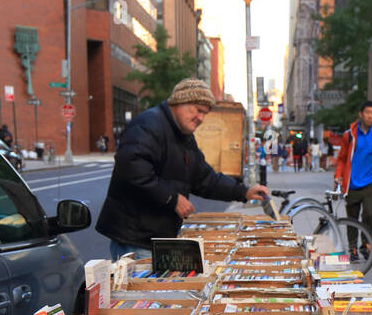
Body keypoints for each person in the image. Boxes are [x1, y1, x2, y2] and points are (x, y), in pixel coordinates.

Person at [96, 78, 270, 260]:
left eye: (205, 113)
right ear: (179, 102)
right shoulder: (149, 125)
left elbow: (205, 179)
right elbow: (132, 168)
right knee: (145, 287)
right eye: (197, 110)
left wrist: (244, 191)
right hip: (135, 238)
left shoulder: (184, 136)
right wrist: (171, 198)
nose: (201, 118)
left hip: (157, 236)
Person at [334, 100, 372, 261]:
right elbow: (342, 158)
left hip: (370, 183)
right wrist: (338, 175)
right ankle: (352, 248)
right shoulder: (349, 135)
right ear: (361, 114)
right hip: (351, 184)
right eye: (367, 112)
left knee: (368, 213)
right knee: (351, 218)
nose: (370, 116)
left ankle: (365, 244)